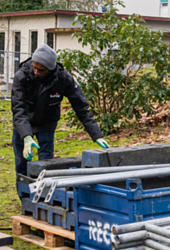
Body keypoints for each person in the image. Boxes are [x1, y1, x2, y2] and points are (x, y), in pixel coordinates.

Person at [10, 44, 108, 177]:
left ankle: (43, 196)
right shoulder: (21, 76)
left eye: (41, 70)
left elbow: (81, 107)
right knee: (22, 165)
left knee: (46, 166)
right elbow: (18, 108)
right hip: (23, 123)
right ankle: (25, 194)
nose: (36, 72)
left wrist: (96, 134)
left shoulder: (63, 79)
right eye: (35, 68)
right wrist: (26, 136)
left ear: (50, 69)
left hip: (47, 123)